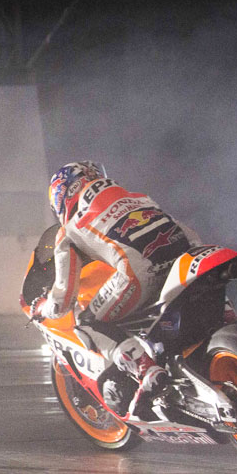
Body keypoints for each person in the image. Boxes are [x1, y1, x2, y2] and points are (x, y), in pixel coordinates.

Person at [30, 161, 204, 420]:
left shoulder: (69, 229)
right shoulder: (136, 197)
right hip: (185, 258)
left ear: (61, 196)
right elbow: (187, 233)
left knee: (87, 322)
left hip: (139, 273)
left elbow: (65, 295)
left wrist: (46, 308)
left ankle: (146, 371)